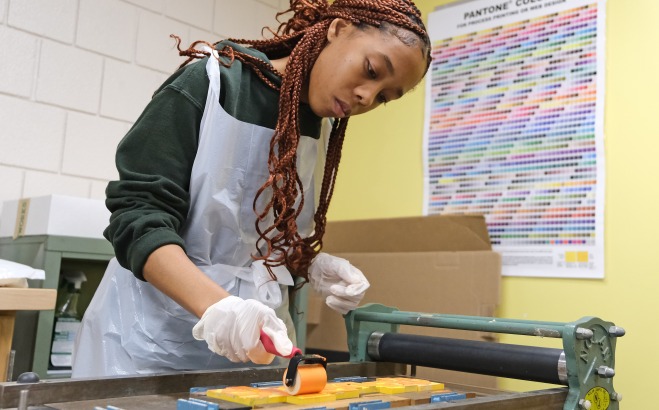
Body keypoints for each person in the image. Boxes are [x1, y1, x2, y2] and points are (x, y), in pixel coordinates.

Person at [72, 0, 431, 378]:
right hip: (147, 347)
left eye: (384, 98)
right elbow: (138, 217)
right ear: (338, 29)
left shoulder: (317, 128)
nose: (366, 97)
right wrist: (218, 307)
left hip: (252, 354)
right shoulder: (213, 84)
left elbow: (252, 240)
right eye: (371, 70)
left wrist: (308, 265)